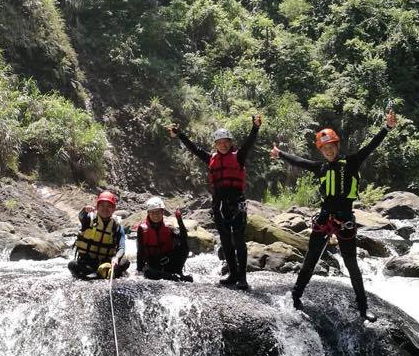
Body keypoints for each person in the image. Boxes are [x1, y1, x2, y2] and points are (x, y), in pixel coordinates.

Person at [269, 110, 397, 321]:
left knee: (351, 264)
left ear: (337, 146)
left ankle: (363, 308)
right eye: (324, 148)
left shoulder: (352, 162)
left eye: (331, 147)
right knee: (310, 259)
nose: (328, 151)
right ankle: (295, 296)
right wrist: (280, 153)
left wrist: (387, 128)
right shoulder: (320, 167)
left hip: (345, 220)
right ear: (321, 150)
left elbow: (371, 146)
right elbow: (299, 161)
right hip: (324, 218)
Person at [169, 114, 261, 290]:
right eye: (220, 142)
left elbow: (249, 144)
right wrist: (180, 134)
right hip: (219, 205)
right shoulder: (211, 158)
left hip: (237, 203)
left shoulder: (238, 156)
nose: (223, 145)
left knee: (239, 241)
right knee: (226, 241)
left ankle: (242, 278)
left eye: (226, 142)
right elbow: (194, 148)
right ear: (215, 145)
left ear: (231, 143)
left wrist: (255, 127)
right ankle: (232, 274)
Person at [68, 191, 130, 280]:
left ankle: (103, 272)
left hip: (106, 262)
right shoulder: (89, 219)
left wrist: (116, 258)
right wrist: (84, 210)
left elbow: (121, 248)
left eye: (109, 206)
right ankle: (99, 274)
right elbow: (81, 216)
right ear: (97, 207)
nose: (105, 209)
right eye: (102, 205)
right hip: (87, 261)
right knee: (72, 265)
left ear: (113, 209)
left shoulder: (117, 227)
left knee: (125, 262)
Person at [136, 197, 193, 282]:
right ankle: (175, 277)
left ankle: (175, 274)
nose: (155, 215)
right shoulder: (142, 229)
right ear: (148, 213)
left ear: (162, 212)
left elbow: (183, 238)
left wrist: (180, 221)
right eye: (152, 212)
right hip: (153, 263)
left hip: (169, 260)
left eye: (158, 212)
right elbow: (140, 251)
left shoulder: (169, 226)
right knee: (148, 273)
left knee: (184, 246)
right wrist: (139, 269)